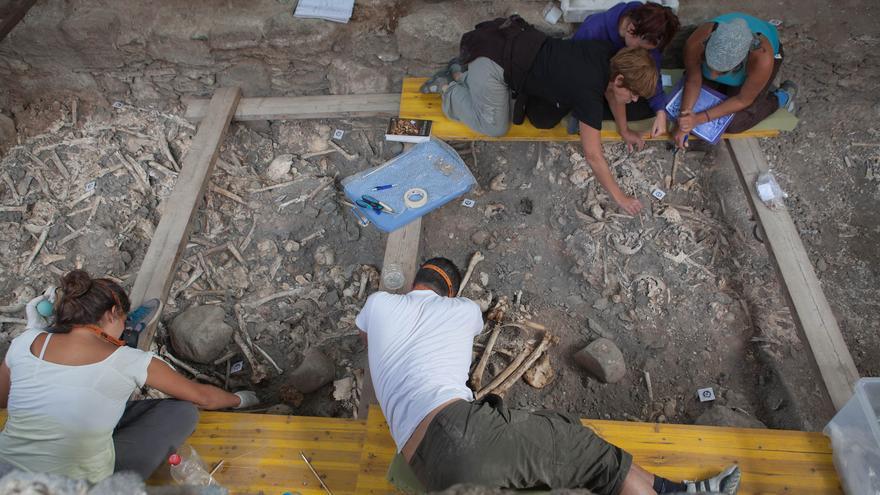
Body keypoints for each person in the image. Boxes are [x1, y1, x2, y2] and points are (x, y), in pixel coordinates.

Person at [356, 258, 742, 494]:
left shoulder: (377, 304)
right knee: (591, 455)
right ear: (451, 291)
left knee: (559, 432)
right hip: (458, 434)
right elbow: (471, 326)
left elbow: (367, 335)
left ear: (412, 285)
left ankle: (670, 489)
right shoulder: (462, 310)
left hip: (422, 465)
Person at [0, 270, 259, 483]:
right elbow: (203, 397)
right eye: (123, 320)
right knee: (183, 413)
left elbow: (2, 399)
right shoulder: (129, 361)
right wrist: (241, 400)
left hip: (8, 478)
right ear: (113, 313)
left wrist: (31, 340)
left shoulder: (27, 341)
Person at [425, 15, 657, 215]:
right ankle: (450, 89)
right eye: (633, 94)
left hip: (508, 38)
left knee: (542, 118)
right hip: (491, 58)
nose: (634, 100)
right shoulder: (588, 89)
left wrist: (624, 131)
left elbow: (613, 95)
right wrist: (620, 198)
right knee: (494, 127)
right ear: (618, 80)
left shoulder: (609, 56)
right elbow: (593, 155)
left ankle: (463, 75)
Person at [673, 13, 797, 148]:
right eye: (709, 66)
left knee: (735, 123)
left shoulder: (761, 58)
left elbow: (743, 100)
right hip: (733, 51)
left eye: (723, 72)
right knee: (685, 100)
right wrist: (685, 119)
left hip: (762, 63)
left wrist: (697, 119)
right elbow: (693, 80)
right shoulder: (696, 43)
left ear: (740, 62)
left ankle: (780, 97)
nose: (713, 76)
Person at [572, 1, 680, 148]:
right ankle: (582, 114)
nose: (645, 54)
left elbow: (651, 74)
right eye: (642, 49)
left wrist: (661, 112)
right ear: (630, 30)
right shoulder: (592, 30)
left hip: (618, 86)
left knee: (647, 107)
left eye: (649, 51)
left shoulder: (650, 40)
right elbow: (575, 72)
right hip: (592, 84)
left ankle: (609, 107)